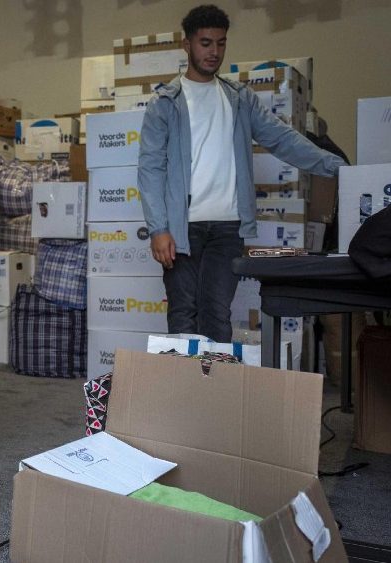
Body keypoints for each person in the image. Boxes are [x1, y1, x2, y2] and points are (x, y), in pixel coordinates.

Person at [137, 4, 347, 343]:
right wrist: (159, 229)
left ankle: (214, 392)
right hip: (181, 228)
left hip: (227, 229)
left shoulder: (239, 99)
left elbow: (282, 140)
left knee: (217, 314)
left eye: (221, 43)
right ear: (187, 44)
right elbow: (149, 170)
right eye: (205, 43)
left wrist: (338, 167)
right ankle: (183, 394)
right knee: (182, 312)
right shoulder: (165, 104)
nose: (214, 52)